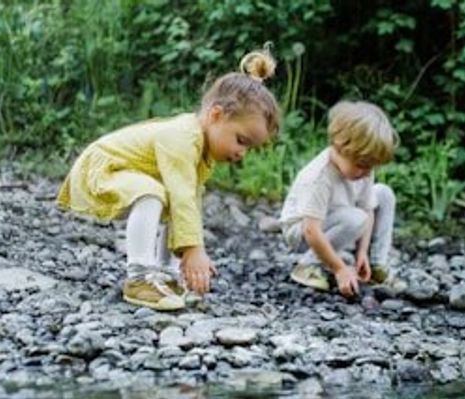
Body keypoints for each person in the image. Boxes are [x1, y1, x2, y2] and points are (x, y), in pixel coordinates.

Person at [57, 49, 281, 310]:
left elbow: (185, 204)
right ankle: (139, 278)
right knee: (154, 193)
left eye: (250, 148)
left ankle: (166, 275)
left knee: (170, 199)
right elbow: (183, 195)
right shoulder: (183, 137)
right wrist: (193, 249)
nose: (242, 153)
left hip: (123, 173)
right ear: (216, 115)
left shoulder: (201, 150)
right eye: (241, 140)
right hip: (101, 168)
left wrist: (186, 255)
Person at [278, 100, 400, 298]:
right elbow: (311, 229)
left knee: (383, 194)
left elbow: (367, 209)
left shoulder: (364, 171)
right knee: (355, 218)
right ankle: (307, 265)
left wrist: (361, 254)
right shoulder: (320, 176)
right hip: (303, 232)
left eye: (371, 167)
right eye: (361, 165)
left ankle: (376, 263)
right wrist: (339, 268)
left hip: (339, 217)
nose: (367, 173)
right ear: (339, 146)